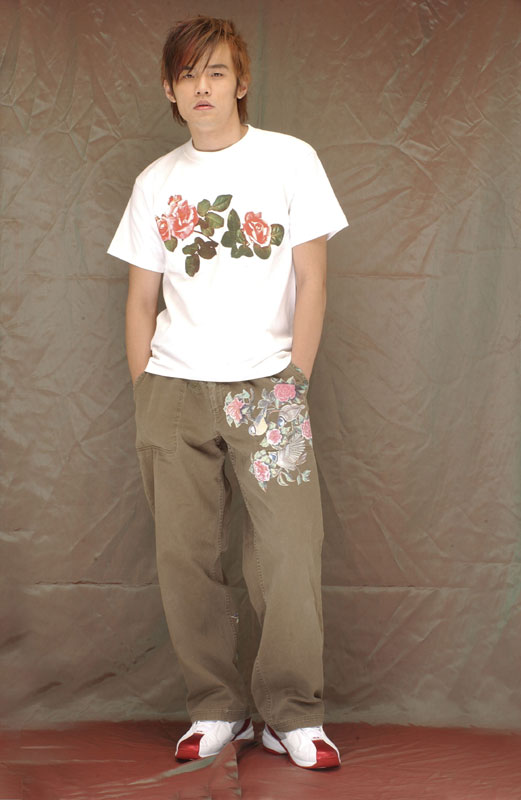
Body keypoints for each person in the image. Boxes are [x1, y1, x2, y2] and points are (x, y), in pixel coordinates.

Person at [107, 15, 348, 770]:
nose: (201, 87)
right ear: (169, 90)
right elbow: (140, 299)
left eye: (215, 72)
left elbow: (312, 280)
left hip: (269, 387)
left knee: (287, 554)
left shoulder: (289, 161)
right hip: (174, 389)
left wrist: (295, 379)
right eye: (187, 75)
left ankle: (293, 715)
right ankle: (214, 708)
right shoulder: (156, 182)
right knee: (187, 558)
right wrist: (146, 389)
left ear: (241, 82)